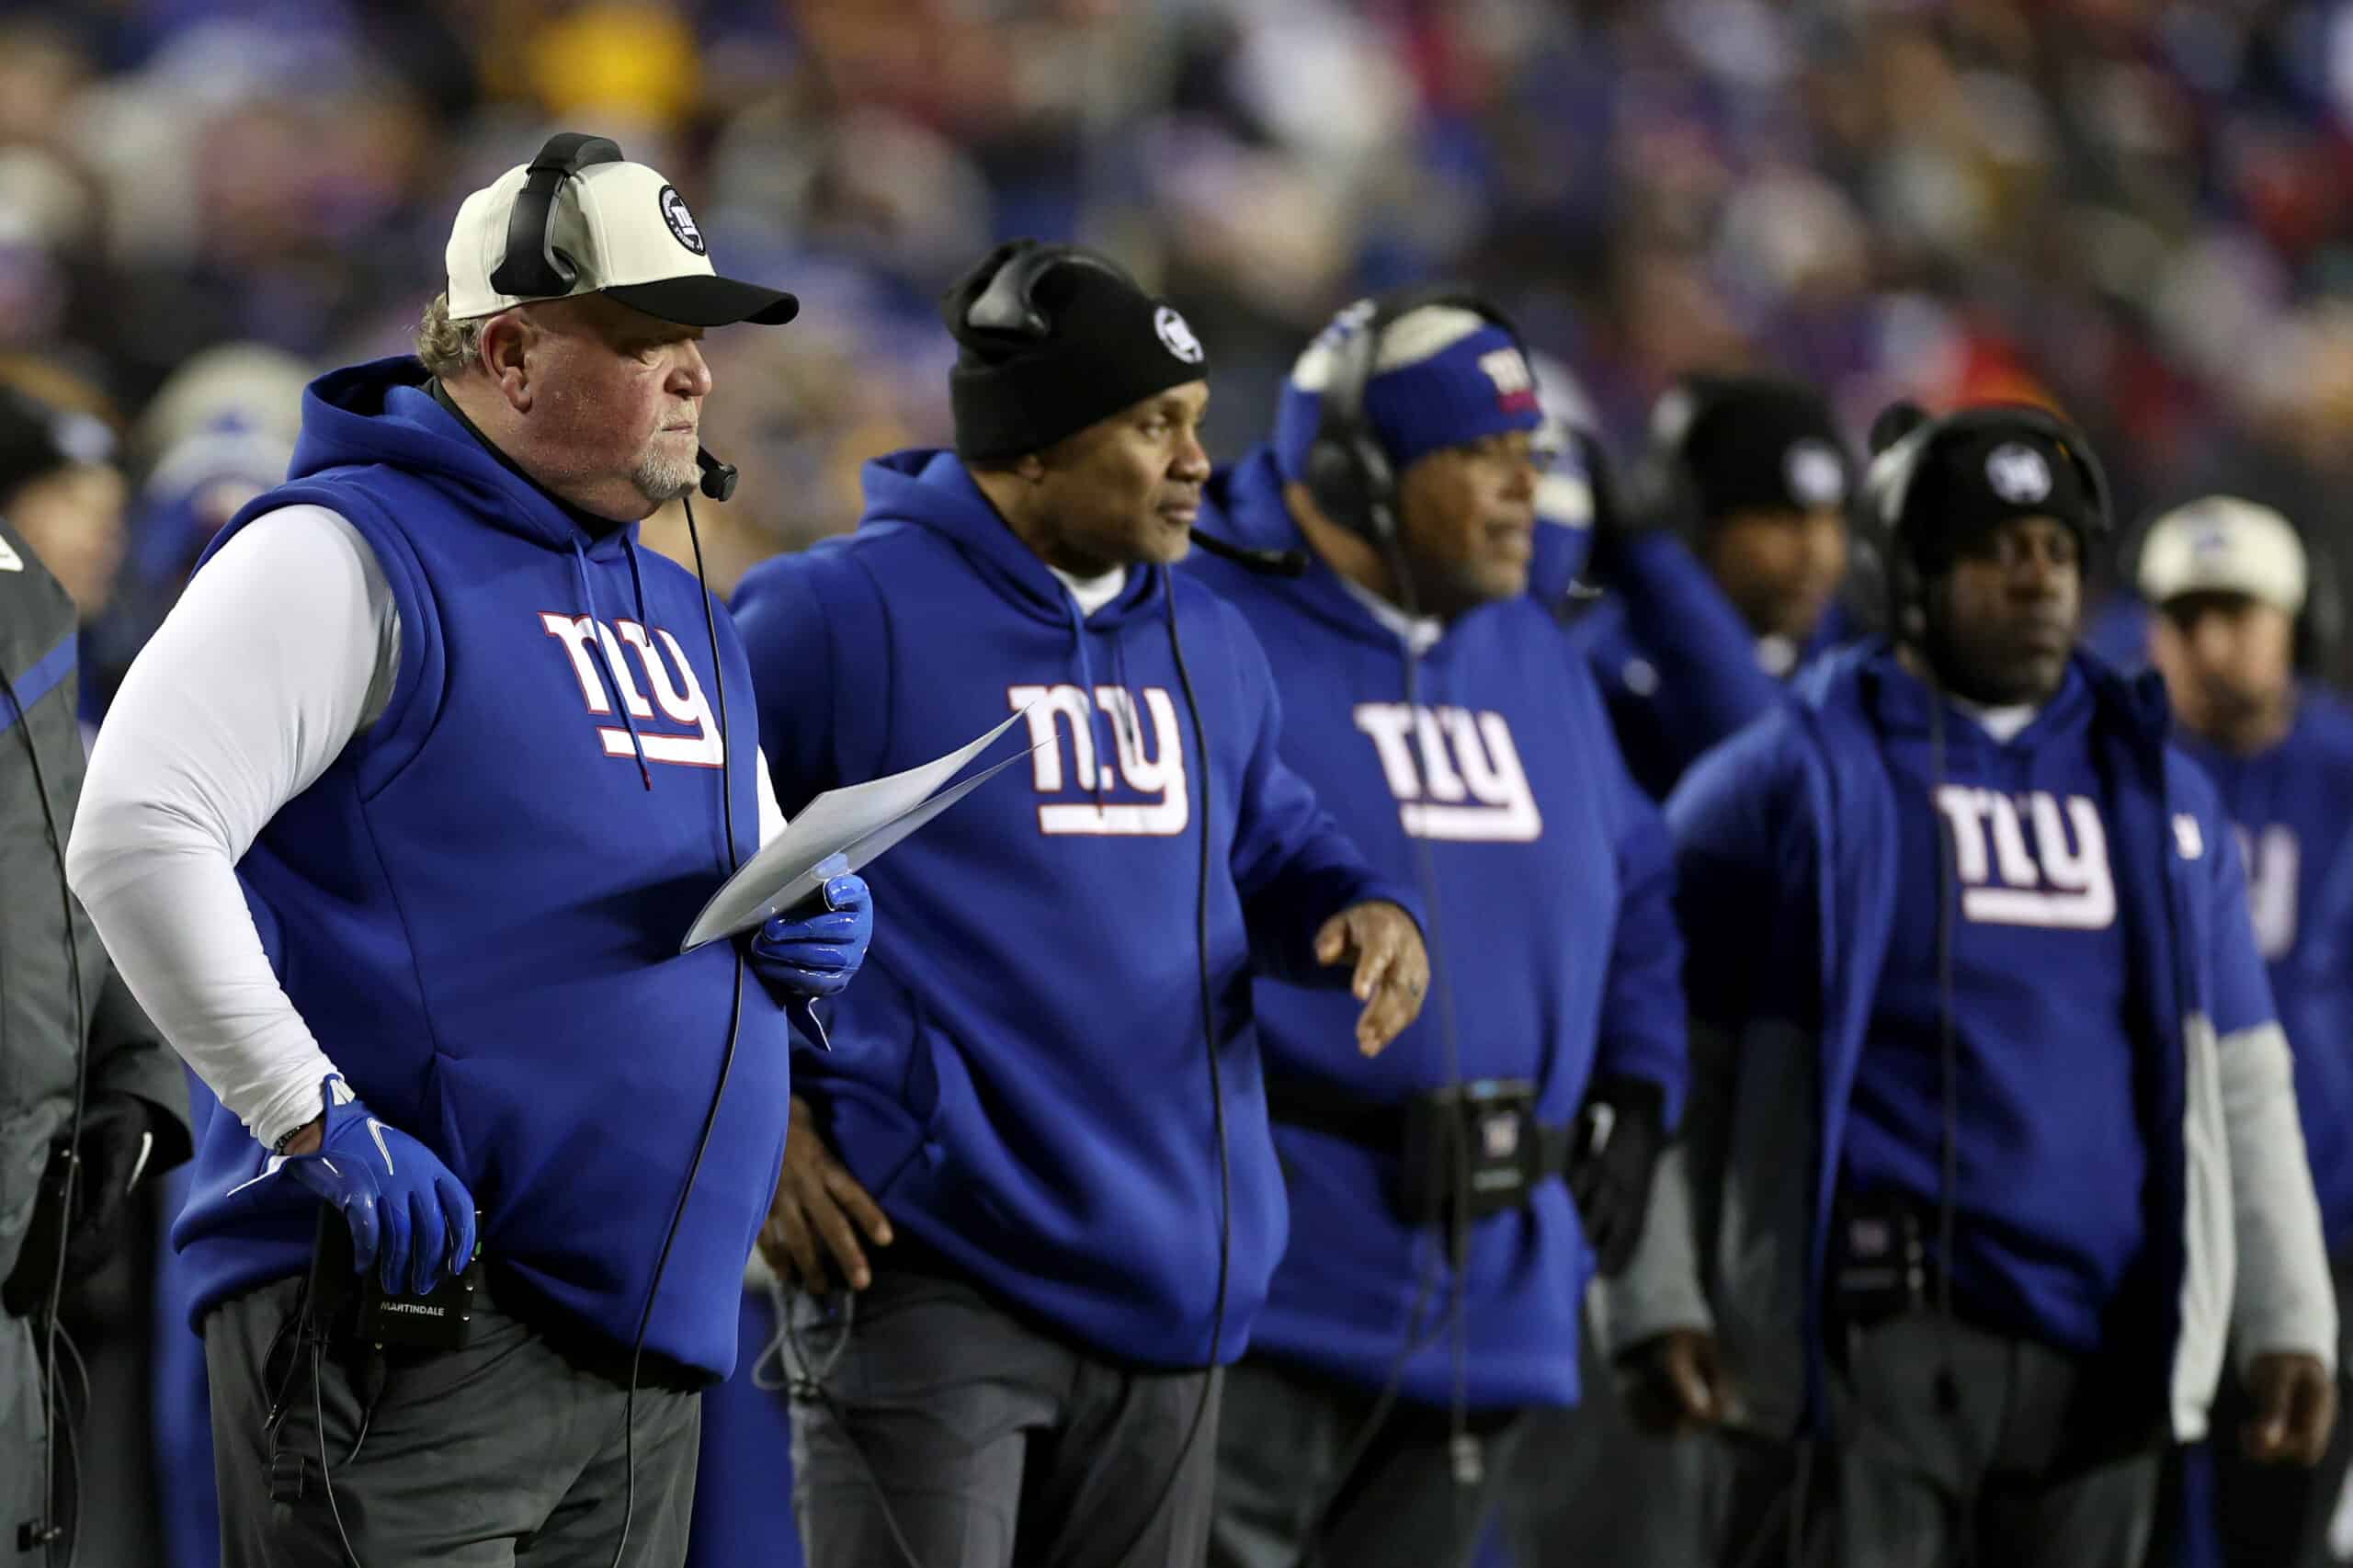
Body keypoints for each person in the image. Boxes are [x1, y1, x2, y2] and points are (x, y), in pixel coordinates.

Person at [65, 134, 873, 1568]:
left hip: (638, 1341)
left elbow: (737, 864)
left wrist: (809, 919)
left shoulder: (676, 596)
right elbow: (135, 828)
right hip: (407, 1318)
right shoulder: (341, 550)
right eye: (645, 337)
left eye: (698, 338)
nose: (696, 372)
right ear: (507, 353)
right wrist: (304, 1110)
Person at [729, 239, 1430, 1568]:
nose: (1195, 462)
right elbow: (678, 878)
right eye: (1153, 425)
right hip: (926, 1267)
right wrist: (762, 1127)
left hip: (1172, 1279)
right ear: (1032, 448)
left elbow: (1273, 842)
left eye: (1197, 424)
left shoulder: (1209, 636)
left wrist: (1360, 903)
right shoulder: (833, 617)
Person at [1605, 403, 2340, 1568]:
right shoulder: (1779, 782)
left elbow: (2241, 1076)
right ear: (1909, 571)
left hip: (2105, 1354)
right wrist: (1654, 1295)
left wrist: (2288, 1314)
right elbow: (1662, 1052)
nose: (2035, 578)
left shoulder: (2155, 793)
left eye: (2054, 550)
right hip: (1865, 1351)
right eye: (1996, 549)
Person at [1181, 290, 1688, 1568]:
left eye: (1536, 455)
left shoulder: (1529, 643)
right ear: (1354, 470)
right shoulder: (1197, 624)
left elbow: (1636, 879)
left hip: (1491, 1295)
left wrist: (1640, 1071)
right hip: (1261, 1291)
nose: (1528, 490)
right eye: (1484, 456)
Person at [2136, 496, 2353, 1568]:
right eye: (2187, 615)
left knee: (2281, 1521)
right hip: (2156, 1212)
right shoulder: (2116, 769)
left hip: (2323, 1210)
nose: (2212, 640)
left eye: (2239, 611)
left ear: (2296, 625)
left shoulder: (2339, 773)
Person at [2, 418, 193, 1565]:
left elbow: (58, 855)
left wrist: (132, 1066)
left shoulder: (25, 602)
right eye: (74, 495)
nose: (101, 528)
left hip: (24, 1227)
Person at [1573, 373, 1856, 800]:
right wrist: (1652, 561)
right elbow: (1769, 776)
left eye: (1832, 521)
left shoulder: (1852, 658)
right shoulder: (1607, 666)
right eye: (1782, 521)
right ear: (1696, 526)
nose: (1819, 554)